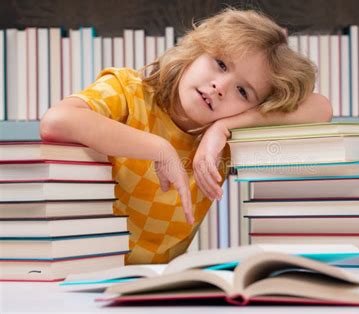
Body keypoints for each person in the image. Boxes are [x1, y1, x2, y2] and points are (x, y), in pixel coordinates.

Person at [40, 8, 332, 264]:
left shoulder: (221, 141)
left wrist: (224, 128)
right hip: (80, 272)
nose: (220, 86)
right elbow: (58, 120)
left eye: (243, 91)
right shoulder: (130, 92)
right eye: (220, 64)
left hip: (155, 285)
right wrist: (159, 149)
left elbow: (321, 108)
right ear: (195, 51)